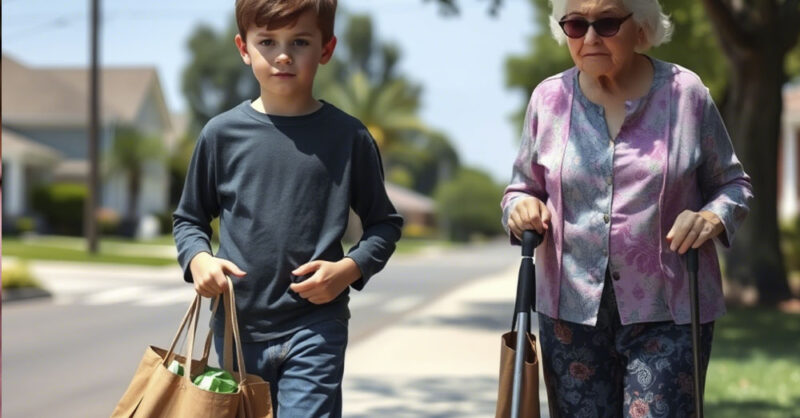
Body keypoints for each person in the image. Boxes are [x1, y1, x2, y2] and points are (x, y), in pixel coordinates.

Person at [501, 0, 753, 416]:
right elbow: (520, 189)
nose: (590, 37)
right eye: (576, 25)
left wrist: (710, 217)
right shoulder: (548, 99)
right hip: (569, 314)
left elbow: (733, 185)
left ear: (641, 27)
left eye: (607, 23)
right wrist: (521, 206)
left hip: (670, 309)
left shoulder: (685, 94)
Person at [172, 0, 403, 416]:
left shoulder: (349, 137)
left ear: (326, 49)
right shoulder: (220, 134)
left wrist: (348, 270)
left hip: (317, 326)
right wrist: (199, 260)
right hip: (237, 328)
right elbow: (189, 219)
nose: (282, 55)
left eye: (299, 42)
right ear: (243, 48)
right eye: (267, 42)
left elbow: (384, 225)